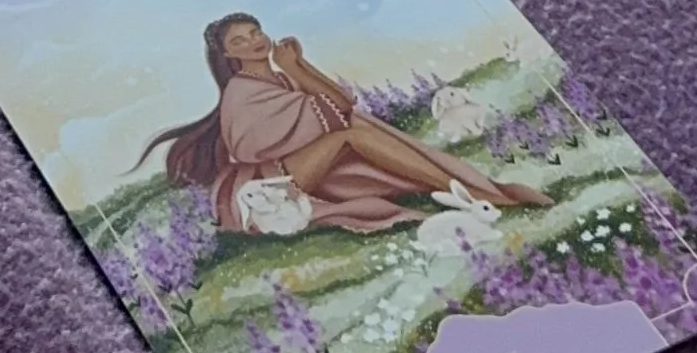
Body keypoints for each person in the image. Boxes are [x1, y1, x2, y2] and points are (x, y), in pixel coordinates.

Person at [137, 13, 552, 238]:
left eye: (254, 32)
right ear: (229, 56)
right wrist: (297, 77)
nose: (253, 42)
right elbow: (253, 147)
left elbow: (339, 103)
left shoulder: (280, 74)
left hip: (301, 163)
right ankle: (471, 192)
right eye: (239, 42)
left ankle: (460, 187)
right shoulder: (241, 91)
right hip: (270, 182)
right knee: (351, 133)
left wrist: (298, 66)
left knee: (354, 127)